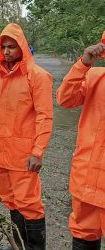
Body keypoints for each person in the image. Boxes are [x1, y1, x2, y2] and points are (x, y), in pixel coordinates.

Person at [0, 23, 53, 250]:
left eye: (12, 47)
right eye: (3, 47)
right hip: (1, 150)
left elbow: (45, 117)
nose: (6, 51)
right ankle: (20, 245)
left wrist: (37, 152)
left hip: (24, 155)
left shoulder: (38, 77)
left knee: (29, 204)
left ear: (22, 47)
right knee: (10, 199)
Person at [56, 33, 105, 250]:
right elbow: (65, 98)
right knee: (84, 234)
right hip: (88, 180)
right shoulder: (95, 76)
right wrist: (83, 64)